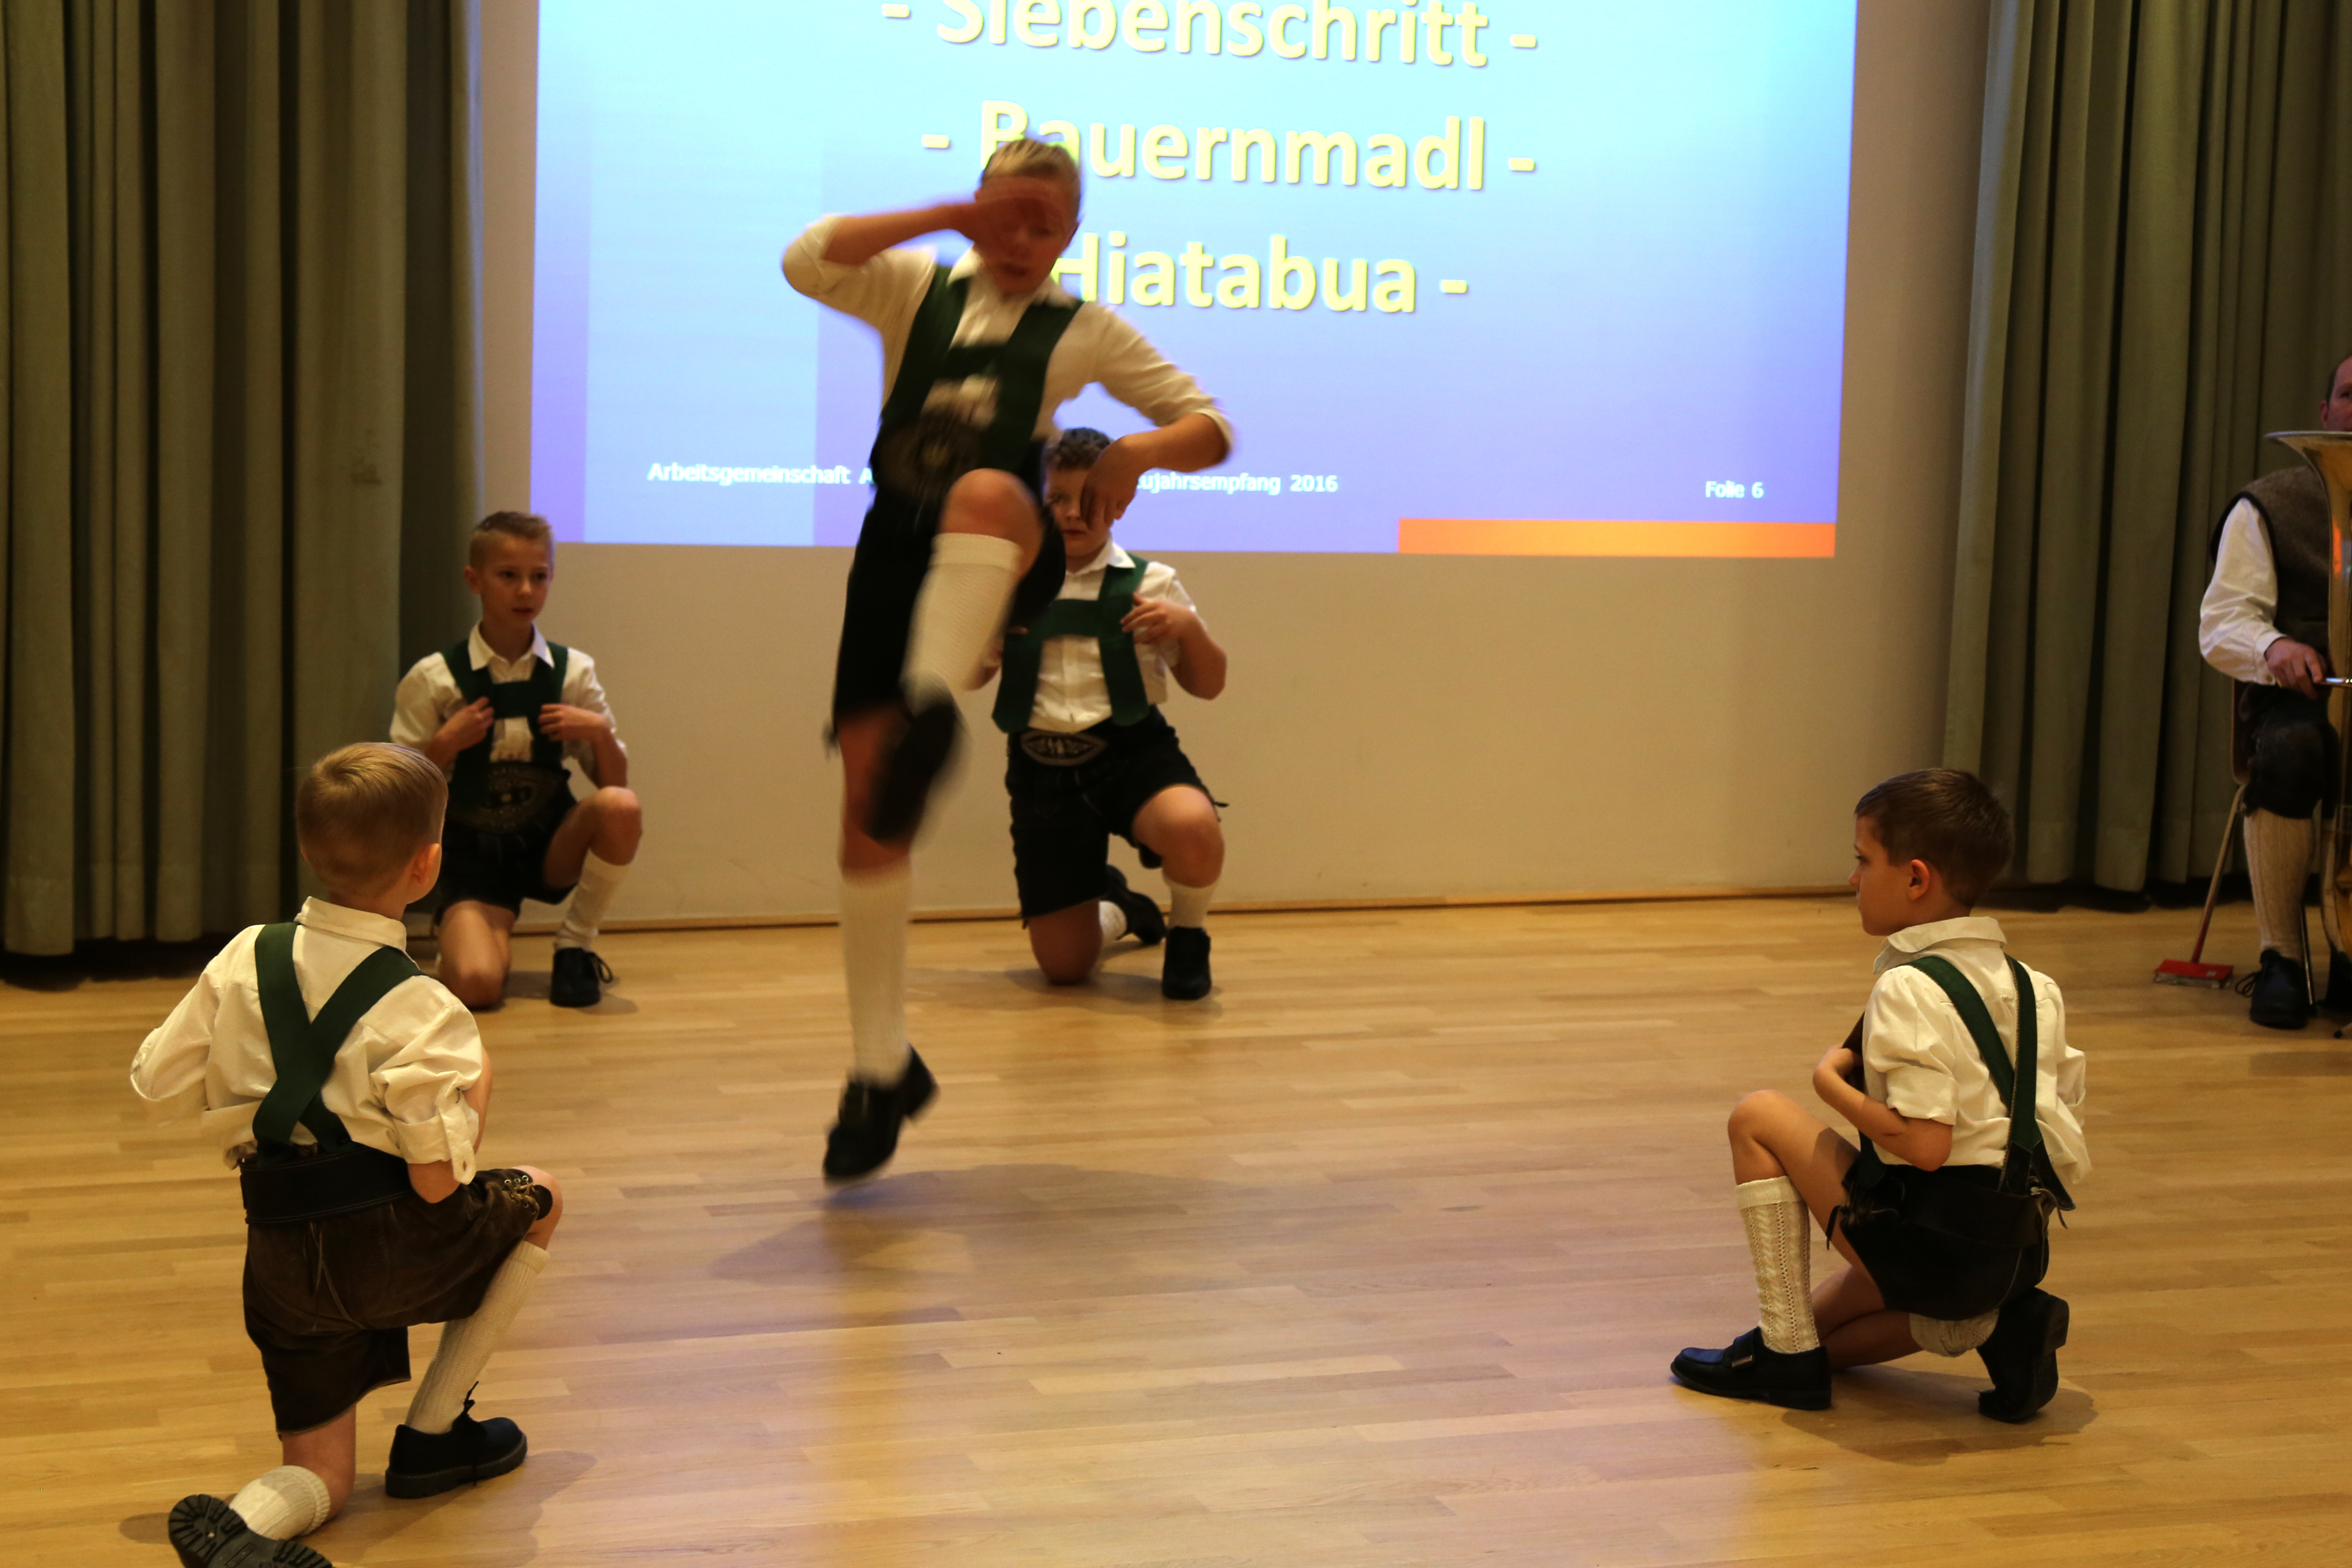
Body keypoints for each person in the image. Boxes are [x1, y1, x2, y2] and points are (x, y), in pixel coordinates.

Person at [781, 137, 1233, 1182]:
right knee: (870, 812)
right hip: (891, 555)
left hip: (999, 547)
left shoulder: (1080, 328)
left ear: (1071, 235)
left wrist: (1134, 449)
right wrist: (941, 213)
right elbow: (806, 258)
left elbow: (1207, 426)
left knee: (987, 489)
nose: (1022, 240)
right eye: (1003, 216)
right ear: (976, 210)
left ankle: (936, 703)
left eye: (1045, 225)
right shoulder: (911, 286)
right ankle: (877, 1063)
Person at [131, 744, 563, 1568]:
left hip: (282, 1257)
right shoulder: (427, 1007)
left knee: (322, 1475)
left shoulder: (243, 955)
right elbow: (439, 1186)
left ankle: (243, 1527)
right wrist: (479, 1094)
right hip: (392, 1250)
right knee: (540, 1194)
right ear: (428, 863)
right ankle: (436, 1434)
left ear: (308, 849)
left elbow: (155, 1081)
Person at [1668, 769, 2089, 1418]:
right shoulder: (2035, 985)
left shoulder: (1908, 988)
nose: (1852, 878)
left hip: (1936, 1244)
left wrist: (1829, 1086)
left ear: (1917, 878)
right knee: (1828, 1328)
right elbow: (2056, 1107)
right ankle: (1986, 1326)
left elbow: (1926, 1145)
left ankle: (1783, 1357)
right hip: (2014, 1250)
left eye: (1863, 860)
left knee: (1758, 1115)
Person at [986, 427, 1227, 999]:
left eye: (1090, 500)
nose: (1073, 513)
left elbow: (1209, 684)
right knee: (1066, 969)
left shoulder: (1153, 582)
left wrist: (1188, 631)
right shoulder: (1006, 584)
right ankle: (1119, 906)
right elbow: (969, 675)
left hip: (1131, 756)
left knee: (1194, 828)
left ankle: (1189, 933)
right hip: (1042, 771)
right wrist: (983, 644)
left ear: (1120, 502)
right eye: (1057, 499)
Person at [391, 510, 642, 1010]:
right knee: (479, 988)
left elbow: (615, 783)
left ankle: (575, 945)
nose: (526, 591)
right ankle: (472, 933)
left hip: (548, 845)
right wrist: (444, 744)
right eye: (509, 576)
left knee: (620, 807)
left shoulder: (574, 672)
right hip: (471, 853)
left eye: (539, 576)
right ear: (475, 581)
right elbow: (399, 791)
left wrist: (598, 733)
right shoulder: (434, 677)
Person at [2198, 349, 2352, 1028]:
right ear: (2325, 414)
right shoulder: (2268, 503)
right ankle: (2282, 957)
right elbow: (2222, 622)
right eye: (2350, 396)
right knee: (2293, 752)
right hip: (2300, 696)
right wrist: (2277, 646)